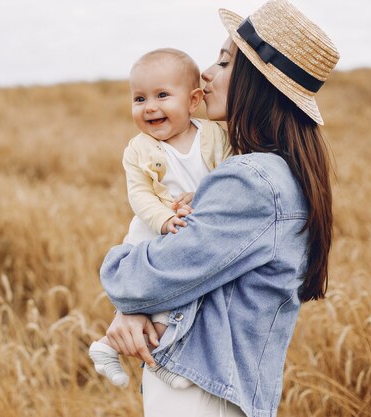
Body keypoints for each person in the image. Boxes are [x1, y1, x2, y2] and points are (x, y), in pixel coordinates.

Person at [99, 1, 340, 416]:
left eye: (225, 62)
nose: (207, 73)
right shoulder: (278, 173)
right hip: (215, 386)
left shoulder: (251, 181)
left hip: (200, 392)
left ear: (258, 82)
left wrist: (124, 289)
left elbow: (140, 280)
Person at [89, 48, 229, 389]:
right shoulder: (138, 148)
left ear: (193, 100)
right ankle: (112, 347)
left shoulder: (213, 136)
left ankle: (155, 355)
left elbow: (227, 177)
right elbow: (139, 195)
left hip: (192, 226)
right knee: (141, 292)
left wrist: (202, 196)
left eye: (162, 95)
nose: (149, 106)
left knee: (178, 299)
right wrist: (164, 219)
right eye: (139, 99)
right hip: (151, 228)